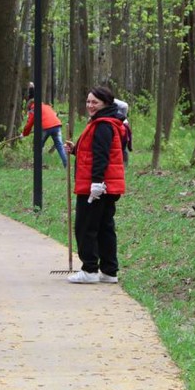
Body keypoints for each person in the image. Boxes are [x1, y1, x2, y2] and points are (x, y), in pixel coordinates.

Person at [65, 85, 127, 284]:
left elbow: (101, 156)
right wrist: (75, 150)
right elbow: (93, 151)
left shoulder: (103, 125)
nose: (90, 105)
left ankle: (89, 269)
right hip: (106, 185)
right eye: (88, 101)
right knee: (104, 227)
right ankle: (109, 271)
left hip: (97, 186)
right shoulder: (104, 123)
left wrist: (97, 183)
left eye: (95, 102)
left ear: (106, 104)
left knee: (86, 227)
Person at [20, 93, 68, 168]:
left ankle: (38, 165)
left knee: (38, 145)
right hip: (57, 125)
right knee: (60, 146)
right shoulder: (47, 106)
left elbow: (29, 123)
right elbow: (54, 115)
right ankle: (67, 165)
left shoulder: (33, 109)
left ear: (30, 106)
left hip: (46, 128)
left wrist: (24, 134)